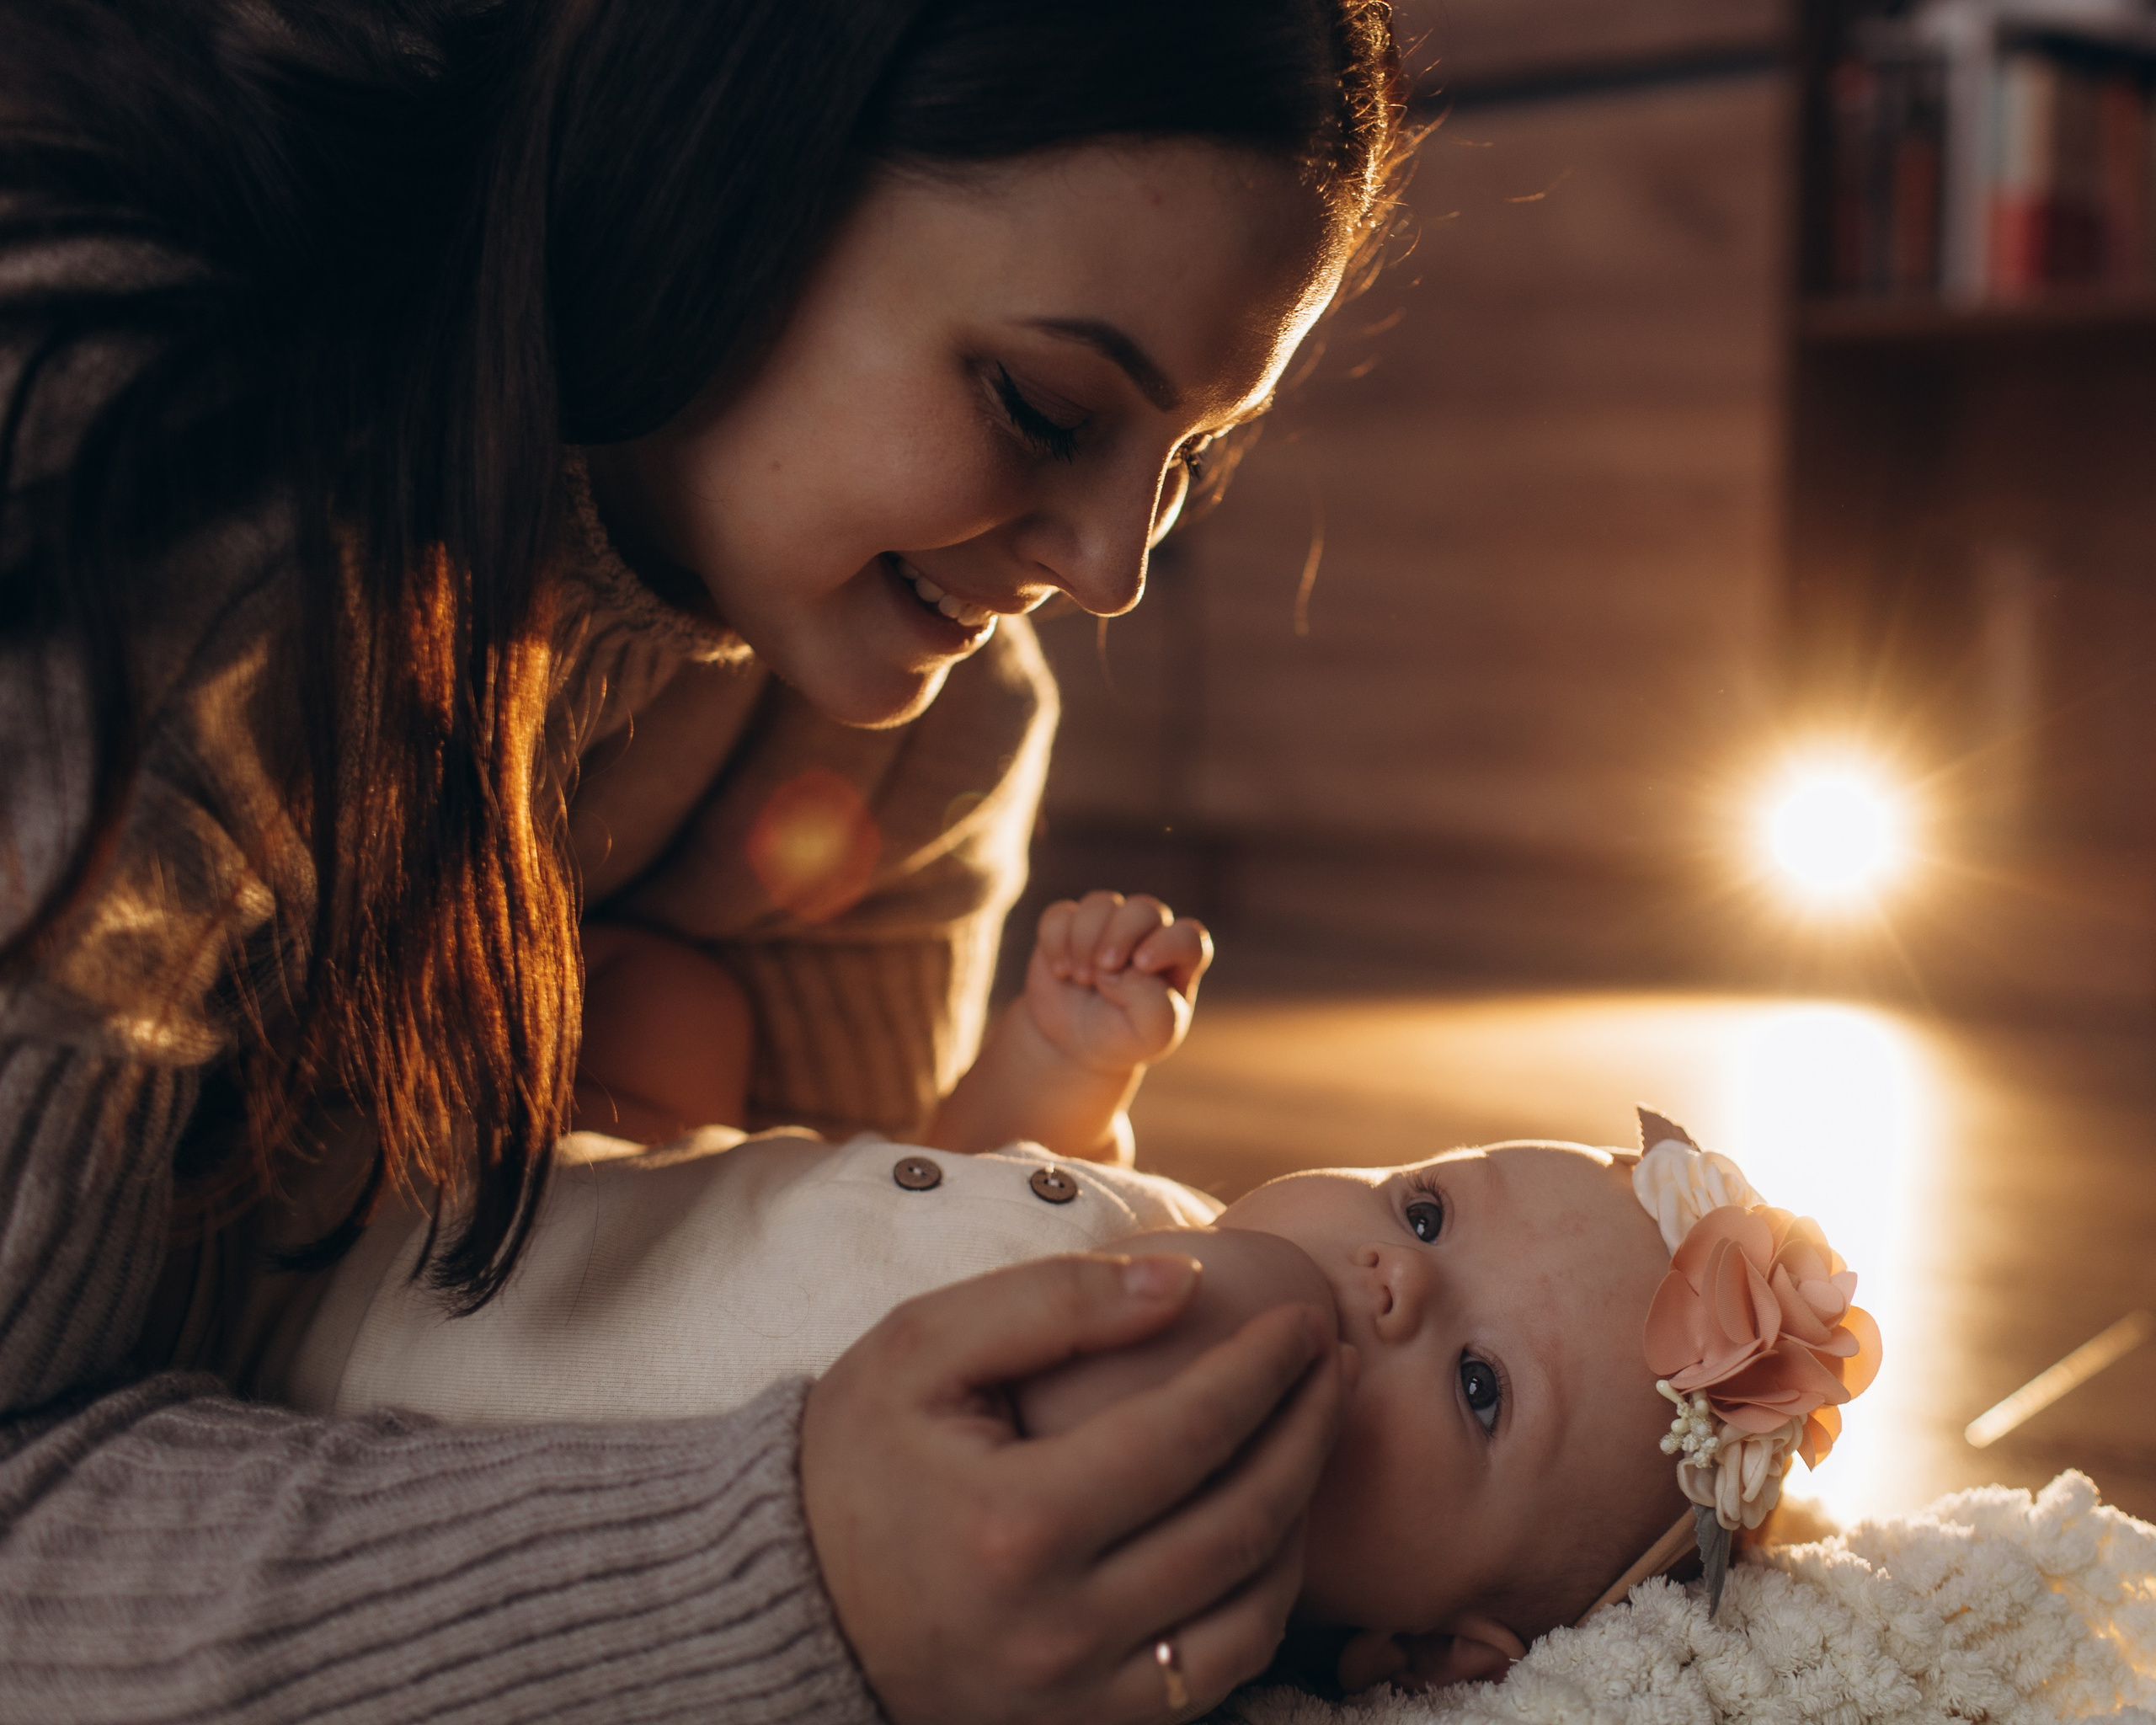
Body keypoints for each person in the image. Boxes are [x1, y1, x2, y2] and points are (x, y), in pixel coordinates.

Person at [0, 3, 1411, 1719]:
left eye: (1184, 460)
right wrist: (780, 1577)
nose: (1112, 568)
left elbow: (817, 1332)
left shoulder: (910, 730)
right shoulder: (158, 538)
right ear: (727, 169)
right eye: (1045, 408)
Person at [276, 902, 1886, 1701]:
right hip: (513, 1202)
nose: (1396, 1278)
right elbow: (964, 1171)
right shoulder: (1174, 1224)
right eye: (1423, 1207)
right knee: (665, 1003)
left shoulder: (1120, 1593)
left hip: (375, 1396)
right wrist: (1059, 1073)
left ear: (1424, 1651)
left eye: (1481, 1389)